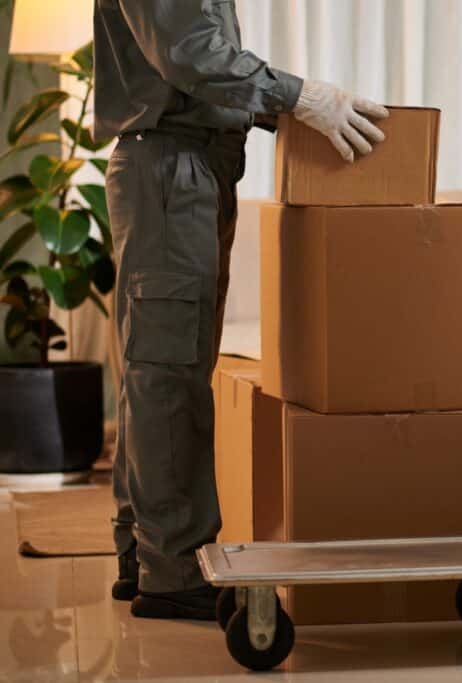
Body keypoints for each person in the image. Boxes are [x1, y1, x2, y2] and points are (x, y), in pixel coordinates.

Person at [93, 0, 389, 620]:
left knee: (162, 367)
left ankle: (144, 552)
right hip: (172, 167)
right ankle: (174, 572)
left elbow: (198, 68)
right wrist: (298, 96)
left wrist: (283, 109)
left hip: (189, 165)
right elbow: (191, 55)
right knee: (168, 372)